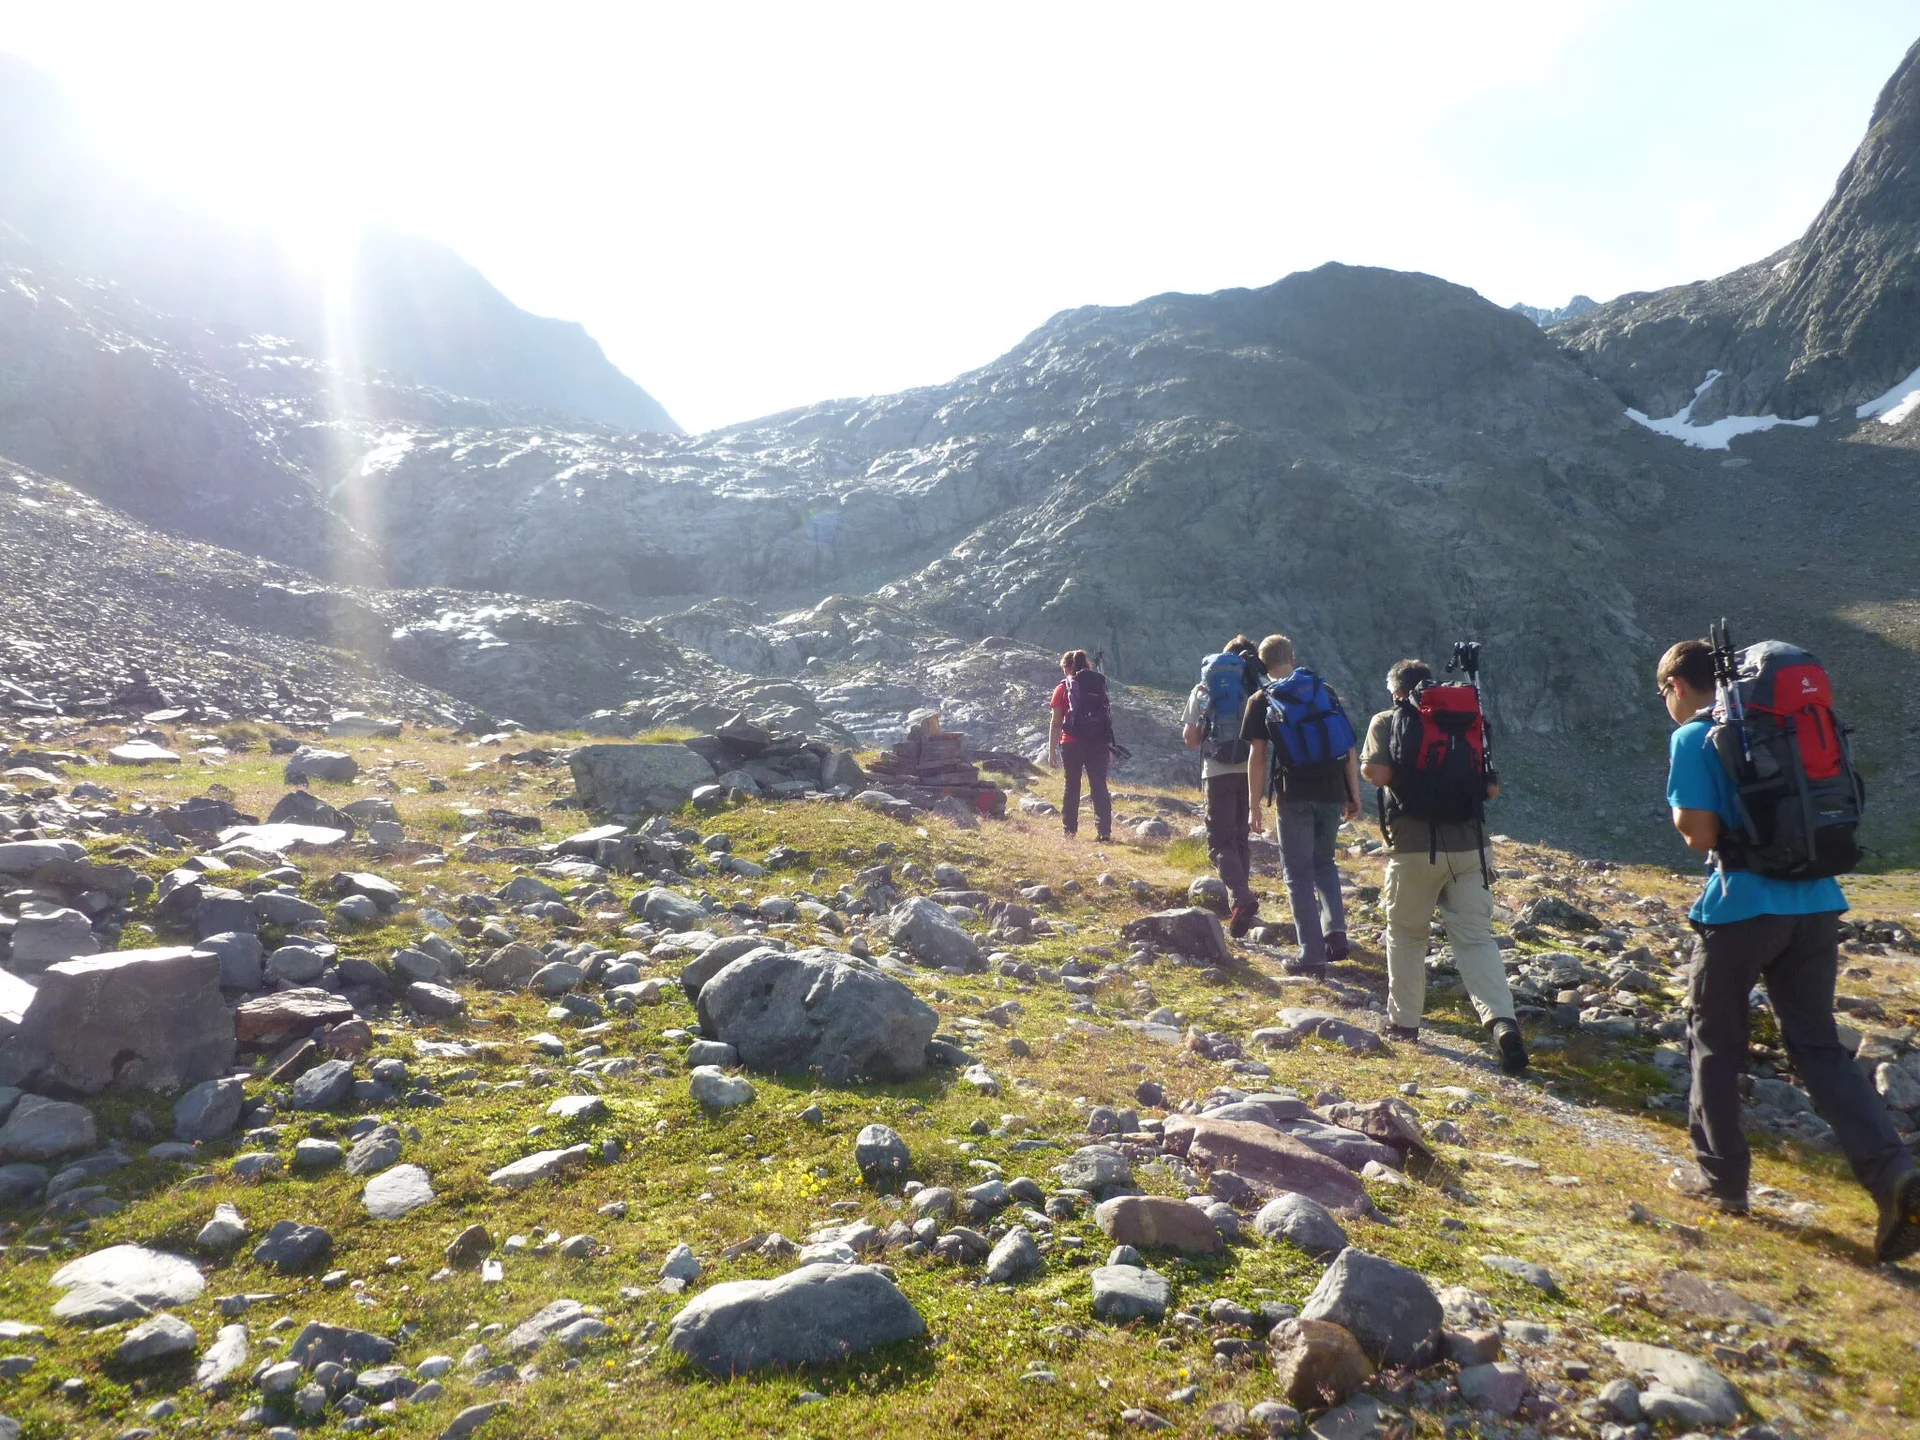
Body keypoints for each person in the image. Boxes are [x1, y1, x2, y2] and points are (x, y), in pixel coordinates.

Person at [1658, 639, 1919, 1260]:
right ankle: (1892, 1173)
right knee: (1818, 1047)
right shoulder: (1786, 727)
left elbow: (1700, 835)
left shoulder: (1695, 737)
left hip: (1743, 906)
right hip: (1818, 903)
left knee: (1715, 1039)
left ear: (1676, 686)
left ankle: (1723, 1182)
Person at [1361, 657, 1527, 1073]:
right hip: (1471, 847)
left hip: (1416, 848)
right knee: (1475, 939)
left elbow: (1377, 772)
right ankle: (1502, 1022)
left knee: (1406, 933)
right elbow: (1491, 789)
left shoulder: (1387, 719)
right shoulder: (1467, 719)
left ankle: (1404, 1023)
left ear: (1396, 690)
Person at [1242, 633, 1360, 970]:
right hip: (1331, 792)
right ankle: (1335, 932)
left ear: (1262, 664)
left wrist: (1254, 806)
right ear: (1292, 657)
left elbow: (1258, 756)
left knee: (1297, 873)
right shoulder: (1324, 691)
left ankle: (1311, 955)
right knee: (1324, 863)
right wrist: (1353, 794)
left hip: (1293, 793)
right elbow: (1348, 745)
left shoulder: (1262, 698)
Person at [1183, 636, 1263, 935]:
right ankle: (1242, 903)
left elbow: (1191, 740)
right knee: (1240, 837)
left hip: (1217, 770)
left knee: (1219, 842)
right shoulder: (1256, 687)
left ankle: (1242, 898)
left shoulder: (1206, 686)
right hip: (1252, 770)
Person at [1047, 648, 1112, 842]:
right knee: (1099, 786)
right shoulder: (1099, 685)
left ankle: (1070, 831)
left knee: (1072, 786)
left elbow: (1056, 722)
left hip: (1071, 742)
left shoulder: (1062, 688)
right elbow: (1107, 716)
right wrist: (1108, 745)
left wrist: (1051, 751)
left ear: (1067, 667)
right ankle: (1104, 832)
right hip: (1098, 743)